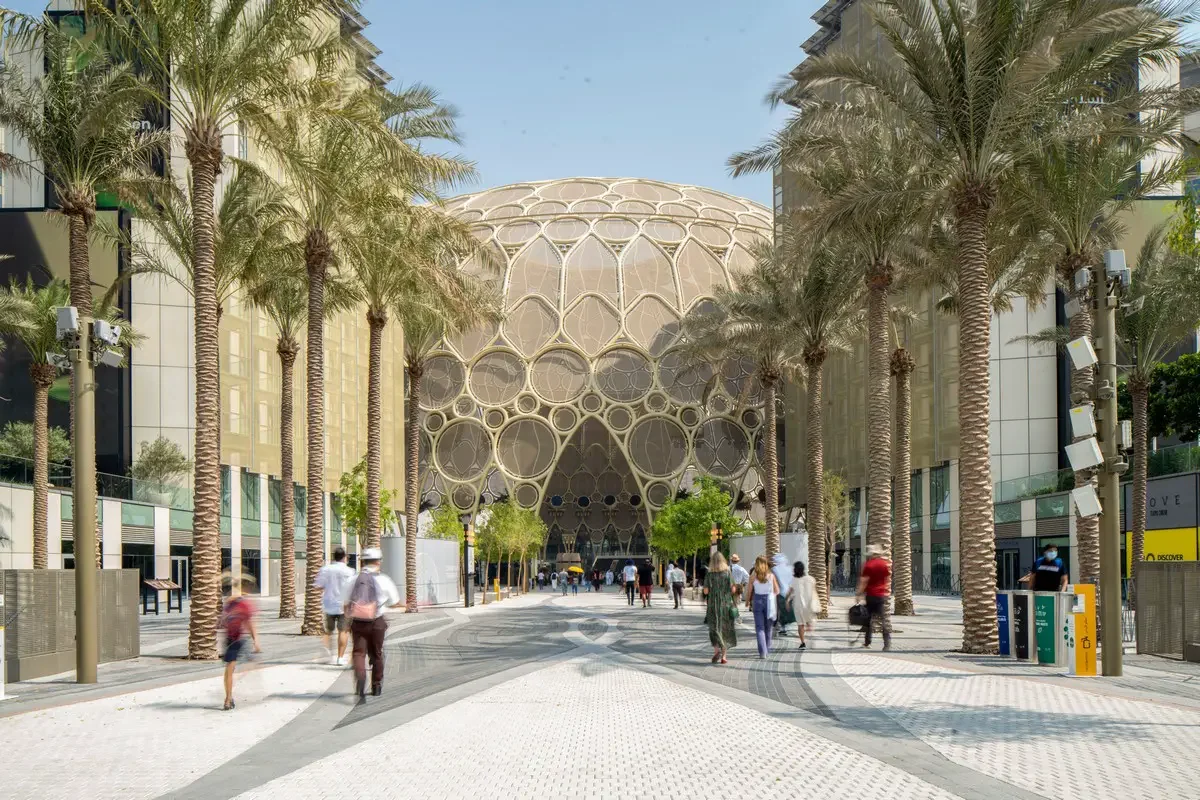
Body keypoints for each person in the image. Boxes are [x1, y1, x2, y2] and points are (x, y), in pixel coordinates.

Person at [345, 547, 401, 701]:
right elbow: (394, 601)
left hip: (358, 622)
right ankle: (376, 686)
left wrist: (348, 618)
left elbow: (345, 602)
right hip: (377, 622)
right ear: (378, 562)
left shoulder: (353, 579)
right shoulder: (384, 580)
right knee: (377, 654)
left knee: (358, 653)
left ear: (362, 561)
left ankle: (361, 679)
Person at [220, 577, 261, 711]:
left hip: (231, 639)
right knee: (238, 667)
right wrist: (256, 641)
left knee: (230, 669)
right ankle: (228, 697)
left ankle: (228, 698)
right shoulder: (244, 605)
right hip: (236, 640)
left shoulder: (229, 604)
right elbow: (249, 624)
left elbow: (223, 622)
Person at [314, 546, 356, 666]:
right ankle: (340, 658)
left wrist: (328, 586)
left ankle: (326, 650)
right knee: (343, 631)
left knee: (328, 630)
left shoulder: (325, 569)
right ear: (344, 557)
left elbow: (318, 586)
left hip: (329, 604)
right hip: (344, 604)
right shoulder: (349, 571)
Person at [857, 544, 893, 651]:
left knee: (868, 620)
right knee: (883, 620)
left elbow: (864, 581)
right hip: (881, 596)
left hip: (871, 596)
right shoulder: (884, 564)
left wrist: (859, 594)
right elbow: (887, 579)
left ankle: (867, 642)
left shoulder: (868, 565)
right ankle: (887, 643)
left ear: (871, 554)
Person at [703, 552, 737, 663]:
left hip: (713, 604)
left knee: (714, 628)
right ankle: (724, 656)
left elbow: (706, 591)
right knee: (725, 628)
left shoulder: (709, 574)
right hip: (725, 604)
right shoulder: (727, 572)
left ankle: (716, 651)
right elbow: (733, 590)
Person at [746, 556, 782, 658]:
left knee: (759, 627)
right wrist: (771, 593)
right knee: (768, 627)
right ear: (766, 564)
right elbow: (777, 591)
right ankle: (767, 648)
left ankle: (762, 652)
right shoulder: (771, 576)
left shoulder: (753, 577)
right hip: (769, 602)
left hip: (757, 601)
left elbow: (749, 591)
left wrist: (747, 601)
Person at [787, 561, 819, 650]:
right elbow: (814, 592)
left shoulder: (794, 580)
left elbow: (789, 592)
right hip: (809, 605)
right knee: (809, 622)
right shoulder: (811, 579)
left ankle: (803, 643)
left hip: (798, 605)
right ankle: (811, 636)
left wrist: (787, 601)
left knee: (800, 625)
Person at [772, 553, 796, 636]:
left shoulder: (774, 569)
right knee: (787, 609)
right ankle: (784, 627)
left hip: (780, 592)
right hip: (789, 592)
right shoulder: (790, 568)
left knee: (780, 610)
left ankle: (782, 627)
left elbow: (774, 581)